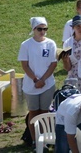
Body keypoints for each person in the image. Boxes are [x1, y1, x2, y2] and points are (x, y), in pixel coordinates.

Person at [19, 16, 57, 145]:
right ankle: (35, 140)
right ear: (34, 29)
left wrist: (43, 80)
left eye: (45, 29)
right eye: (40, 29)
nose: (42, 32)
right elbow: (24, 65)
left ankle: (45, 139)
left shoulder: (51, 43)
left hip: (47, 83)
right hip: (31, 84)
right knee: (34, 112)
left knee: (45, 112)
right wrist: (36, 80)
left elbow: (53, 64)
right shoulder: (26, 45)